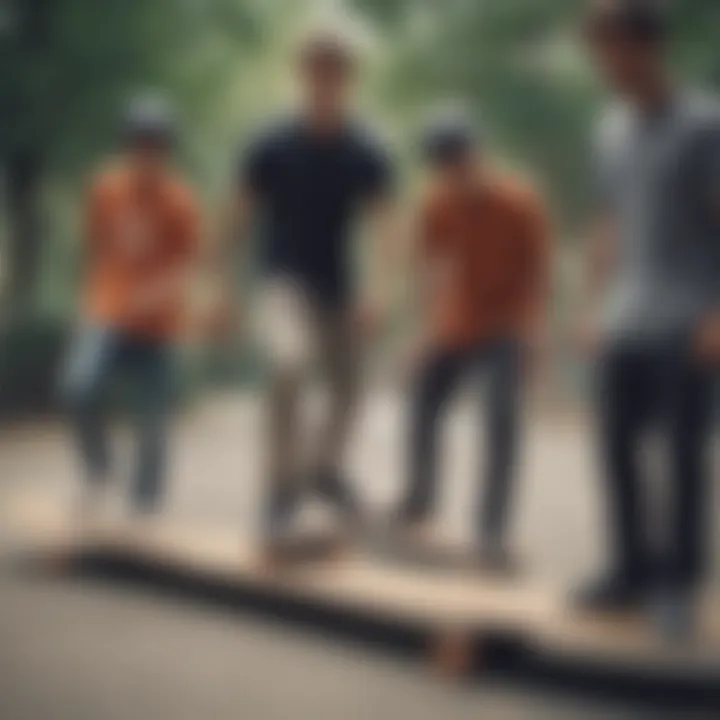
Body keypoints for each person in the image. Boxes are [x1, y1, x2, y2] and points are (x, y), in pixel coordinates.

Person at [214, 28, 396, 557]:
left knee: (352, 384)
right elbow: (237, 216)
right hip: (281, 284)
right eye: (316, 70)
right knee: (287, 373)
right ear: (302, 74)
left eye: (335, 71)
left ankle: (324, 469)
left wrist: (381, 293)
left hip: (339, 284)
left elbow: (387, 226)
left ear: (349, 79)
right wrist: (222, 287)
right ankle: (279, 489)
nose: (325, 80)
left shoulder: (365, 147)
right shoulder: (271, 142)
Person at [577, 0, 720, 638]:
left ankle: (677, 585)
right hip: (626, 316)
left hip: (689, 314)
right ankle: (629, 570)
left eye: (610, 50)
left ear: (645, 48)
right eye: (597, 52)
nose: (603, 65)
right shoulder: (609, 128)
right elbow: (611, 222)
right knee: (614, 447)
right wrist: (593, 305)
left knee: (682, 454)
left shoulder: (704, 126)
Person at [395, 108, 551, 571]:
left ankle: (492, 530)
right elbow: (430, 272)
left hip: (505, 323)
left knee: (502, 417)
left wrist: (533, 335)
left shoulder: (521, 202)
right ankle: (420, 500)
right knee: (423, 396)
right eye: (444, 167)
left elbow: (538, 277)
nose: (454, 175)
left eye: (461, 163)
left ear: (479, 156)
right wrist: (423, 335)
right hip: (458, 320)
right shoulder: (436, 203)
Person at [61, 92, 200, 516]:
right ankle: (98, 469)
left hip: (158, 325)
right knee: (79, 387)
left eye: (155, 144)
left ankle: (145, 505)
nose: (147, 152)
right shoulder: (106, 188)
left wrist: (159, 291)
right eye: (140, 143)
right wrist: (89, 304)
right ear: (129, 145)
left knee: (153, 423)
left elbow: (189, 266)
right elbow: (96, 248)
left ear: (166, 150)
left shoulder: (180, 202)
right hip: (109, 315)